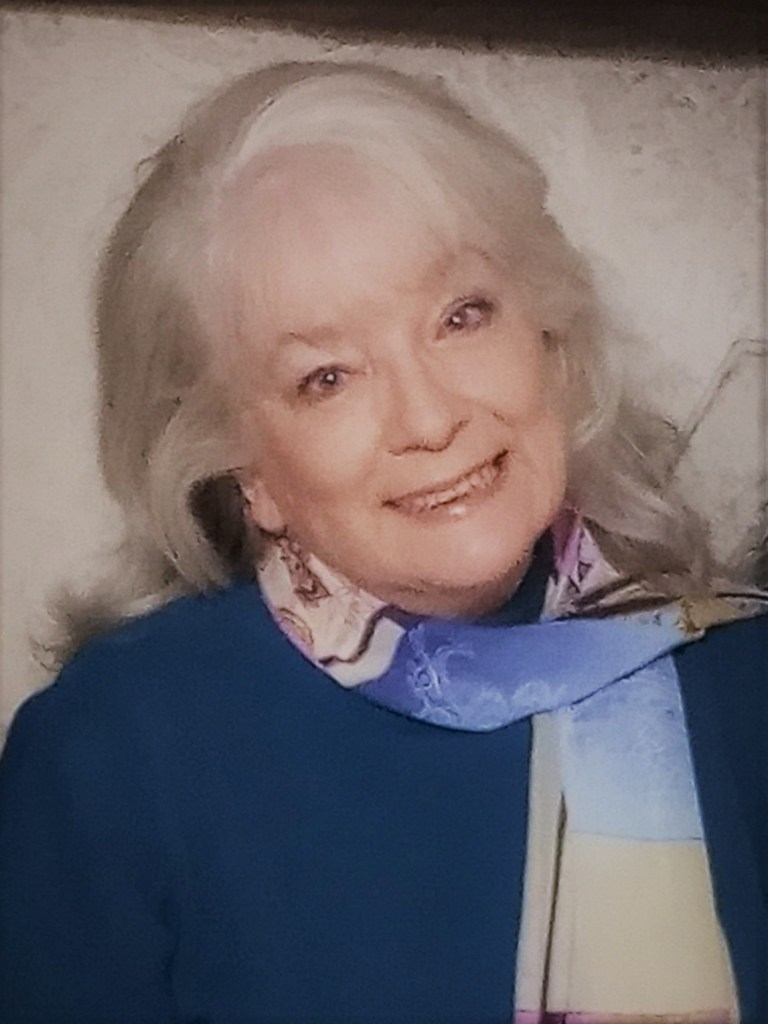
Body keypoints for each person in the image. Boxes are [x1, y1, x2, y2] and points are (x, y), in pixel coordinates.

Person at [0, 61, 766, 1024]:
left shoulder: (746, 685)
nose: (431, 418)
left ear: (547, 334)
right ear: (244, 467)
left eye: (461, 316)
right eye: (327, 377)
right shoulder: (111, 756)